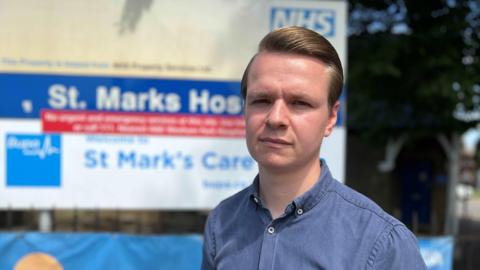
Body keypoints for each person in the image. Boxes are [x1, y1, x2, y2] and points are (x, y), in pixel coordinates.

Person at [201, 26, 426, 270]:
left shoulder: (381, 243)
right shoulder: (221, 222)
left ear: (331, 118)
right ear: (244, 108)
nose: (276, 118)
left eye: (300, 103)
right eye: (262, 100)